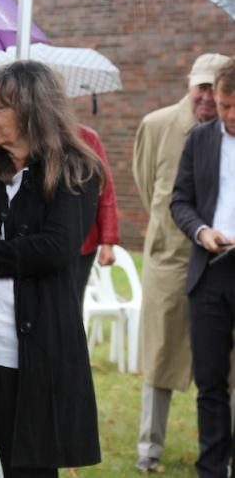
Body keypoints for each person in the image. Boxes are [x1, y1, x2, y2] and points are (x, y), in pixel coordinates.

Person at [0, 61, 103, 478]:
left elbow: (56, 249)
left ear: (33, 110)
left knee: (31, 471)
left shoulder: (76, 168)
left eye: (0, 106)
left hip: (34, 354)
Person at [133, 52, 230, 473]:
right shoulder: (158, 126)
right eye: (202, 87)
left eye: (216, 90)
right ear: (190, 83)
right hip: (173, 260)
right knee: (161, 354)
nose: (207, 97)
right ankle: (149, 447)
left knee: (221, 368)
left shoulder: (217, 130)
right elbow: (146, 183)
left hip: (219, 264)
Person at [171, 58, 235, 478]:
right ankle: (212, 470)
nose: (229, 115)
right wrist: (201, 232)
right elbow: (180, 201)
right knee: (210, 382)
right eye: (226, 105)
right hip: (211, 269)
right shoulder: (200, 139)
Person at [75, 124, 119, 297]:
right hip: (40, 240)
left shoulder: (87, 138)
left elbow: (105, 191)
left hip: (81, 243)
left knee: (73, 307)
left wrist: (108, 242)